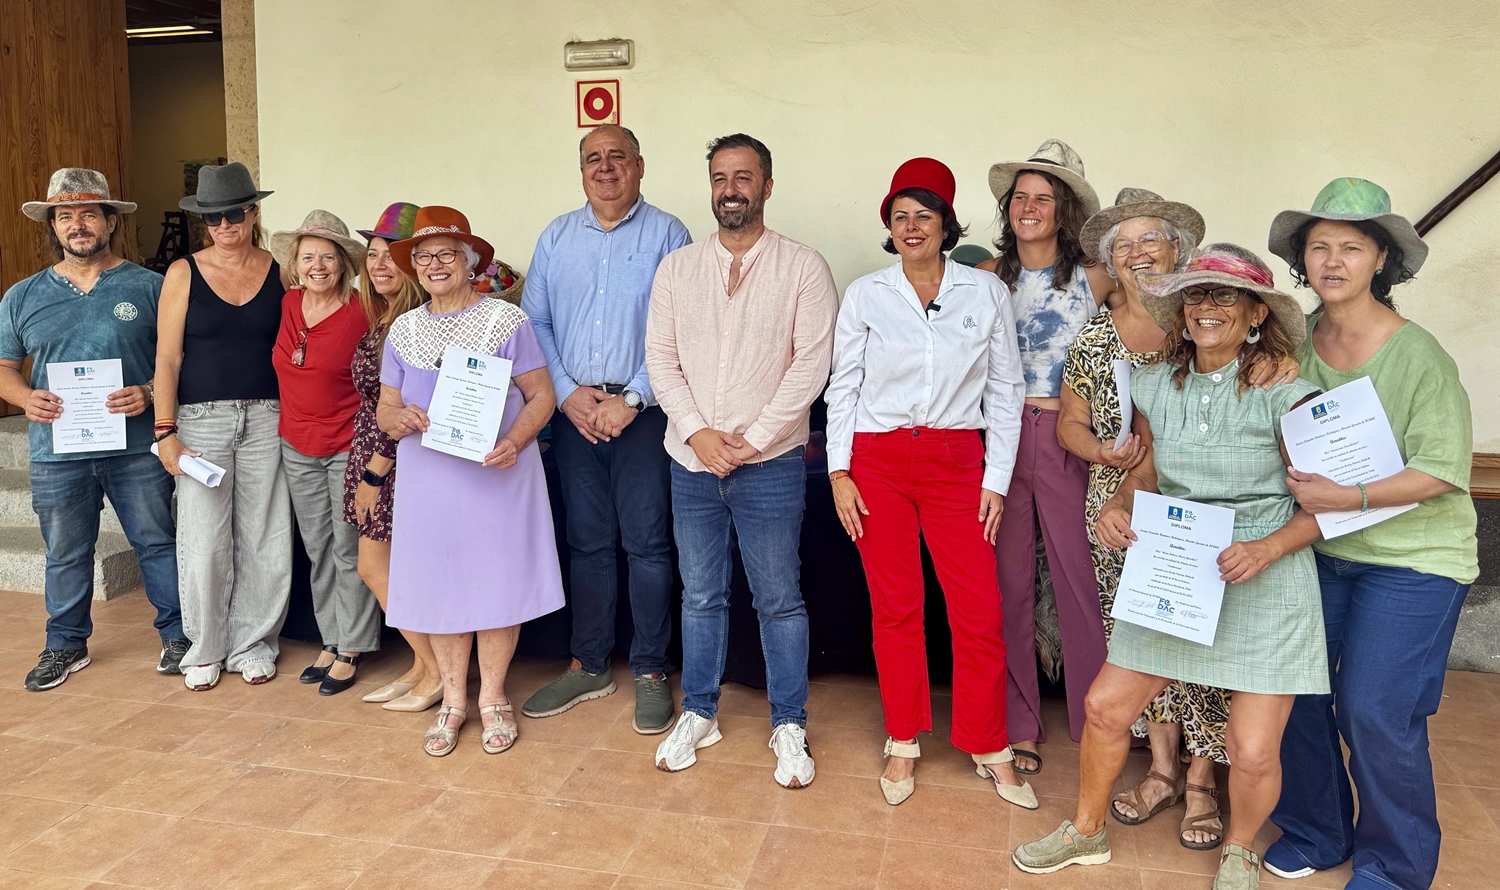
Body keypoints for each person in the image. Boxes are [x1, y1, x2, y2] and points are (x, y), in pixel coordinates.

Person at [1014, 244, 1328, 890]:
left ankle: (1239, 849)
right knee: (1105, 706)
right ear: (1181, 314)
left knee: (1252, 747)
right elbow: (1149, 474)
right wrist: (1122, 507)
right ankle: (1086, 831)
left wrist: (1267, 548)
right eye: (1197, 296)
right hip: (1181, 568)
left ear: (1255, 316)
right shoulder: (1154, 384)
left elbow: (1333, 503)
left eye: (1225, 297)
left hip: (1265, 572)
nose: (1207, 307)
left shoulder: (1289, 393)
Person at [1265, 178, 1478, 890]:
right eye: (1319, 246)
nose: (1332, 260)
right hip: (1323, 548)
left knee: (1375, 709)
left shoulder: (1420, 356)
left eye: (1350, 247)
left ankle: (1394, 865)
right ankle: (1318, 830)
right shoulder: (1295, 336)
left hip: (1413, 559)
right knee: (1294, 690)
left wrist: (1344, 494)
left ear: (1380, 260)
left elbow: (1442, 471)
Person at [825, 158, 1034, 808]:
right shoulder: (866, 294)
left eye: (925, 215)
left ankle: (988, 743)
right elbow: (845, 387)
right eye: (900, 216)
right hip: (878, 461)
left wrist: (995, 477)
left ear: (946, 222)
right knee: (896, 607)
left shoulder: (985, 291)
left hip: (956, 462)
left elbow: (1006, 389)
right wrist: (838, 471)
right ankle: (903, 739)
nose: (912, 226)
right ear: (890, 225)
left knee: (978, 610)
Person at [645, 133, 837, 788]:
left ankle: (789, 721)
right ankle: (700, 711)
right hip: (690, 462)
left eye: (744, 176)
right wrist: (699, 435)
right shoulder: (677, 269)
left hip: (772, 463)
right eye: (721, 177)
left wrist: (750, 441)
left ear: (768, 185)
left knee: (779, 599)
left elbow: (811, 364)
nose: (731, 188)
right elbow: (661, 362)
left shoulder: (803, 267)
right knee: (700, 594)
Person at [521, 125, 691, 734]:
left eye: (617, 157)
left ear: (640, 166)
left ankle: (650, 670)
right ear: (581, 170)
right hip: (574, 417)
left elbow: (679, 326)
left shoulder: (670, 234)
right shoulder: (556, 237)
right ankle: (588, 663)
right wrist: (566, 395)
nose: (605, 167)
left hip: (644, 416)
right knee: (587, 542)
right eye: (593, 158)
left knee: (648, 544)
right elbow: (533, 321)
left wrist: (634, 398)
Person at [376, 206, 564, 756]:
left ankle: (495, 699)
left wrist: (517, 440)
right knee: (441, 585)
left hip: (497, 473)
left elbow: (542, 396)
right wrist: (398, 419)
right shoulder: (404, 331)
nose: (435, 265)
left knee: (495, 583)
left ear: (470, 260)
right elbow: (386, 409)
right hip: (430, 481)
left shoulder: (507, 322)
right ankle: (455, 700)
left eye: (447, 255)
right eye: (425, 256)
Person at [0, 168, 185, 690]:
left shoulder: (151, 287)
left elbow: (181, 359)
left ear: (109, 221)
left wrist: (148, 393)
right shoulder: (23, 295)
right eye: (65, 217)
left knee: (156, 541)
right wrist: (24, 397)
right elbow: (3, 367)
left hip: (137, 446)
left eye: (87, 214)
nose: (77, 225)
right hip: (56, 451)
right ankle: (64, 645)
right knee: (65, 551)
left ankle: (178, 634)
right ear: (53, 228)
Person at [977, 139, 1116, 774]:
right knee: (1006, 585)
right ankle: (1018, 723)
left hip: (1069, 437)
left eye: (1044, 198)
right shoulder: (985, 279)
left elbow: (1141, 339)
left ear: (1064, 211)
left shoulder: (1096, 277)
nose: (1030, 208)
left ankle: (1099, 719)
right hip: (1001, 437)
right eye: (1021, 198)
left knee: (1079, 581)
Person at [154, 161, 291, 691]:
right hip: (201, 421)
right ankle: (206, 646)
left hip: (267, 416)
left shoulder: (280, 268)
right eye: (213, 217)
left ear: (253, 212)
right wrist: (166, 431)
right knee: (203, 538)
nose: (225, 225)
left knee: (265, 535)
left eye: (235, 213)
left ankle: (254, 642)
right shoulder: (183, 271)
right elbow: (167, 358)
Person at [269, 210, 382, 696]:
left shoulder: (362, 311)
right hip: (295, 442)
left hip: (346, 445)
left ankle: (352, 645)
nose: (318, 266)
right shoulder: (289, 304)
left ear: (344, 265)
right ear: (295, 263)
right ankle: (330, 637)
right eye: (308, 256)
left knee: (348, 547)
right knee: (317, 549)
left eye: (328, 257)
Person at [345, 203, 443, 711]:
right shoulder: (385, 317)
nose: (380, 264)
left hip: (394, 458)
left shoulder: (412, 323)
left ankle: (438, 671)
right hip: (375, 451)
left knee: (379, 567)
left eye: (391, 255)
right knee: (388, 568)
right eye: (373, 255)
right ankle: (423, 665)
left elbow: (411, 406)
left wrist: (374, 473)